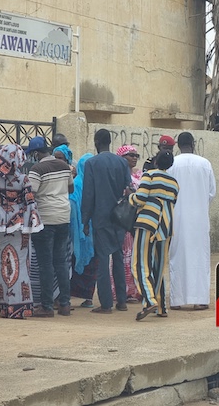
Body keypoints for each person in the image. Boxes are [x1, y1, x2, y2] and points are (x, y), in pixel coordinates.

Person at [0, 144, 44, 318]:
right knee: (19, 265)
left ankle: (5, 307)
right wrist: (31, 225)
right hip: (19, 226)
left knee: (3, 264)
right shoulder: (23, 179)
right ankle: (19, 308)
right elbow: (30, 205)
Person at [81, 129, 131, 314]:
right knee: (118, 258)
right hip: (119, 217)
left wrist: (85, 220)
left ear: (96, 142)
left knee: (102, 260)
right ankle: (122, 301)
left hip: (100, 217)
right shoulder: (121, 162)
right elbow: (128, 188)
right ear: (110, 142)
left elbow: (88, 193)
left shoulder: (91, 163)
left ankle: (106, 303)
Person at [168, 132, 216, 310]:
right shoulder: (204, 164)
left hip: (177, 218)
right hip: (199, 220)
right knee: (200, 258)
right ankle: (200, 299)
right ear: (193, 144)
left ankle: (177, 300)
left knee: (177, 257)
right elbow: (212, 193)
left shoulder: (172, 164)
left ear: (178, 145)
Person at [27, 137, 74, 317]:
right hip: (63, 216)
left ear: (37, 153)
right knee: (61, 262)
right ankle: (65, 304)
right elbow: (70, 189)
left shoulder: (37, 169)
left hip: (45, 218)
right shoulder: (64, 166)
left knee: (45, 263)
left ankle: (46, 306)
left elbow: (31, 193)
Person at [130, 151, 179, 320]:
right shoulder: (174, 182)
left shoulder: (149, 175)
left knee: (140, 264)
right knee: (158, 267)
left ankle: (149, 300)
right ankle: (161, 307)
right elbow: (173, 201)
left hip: (148, 222)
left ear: (156, 161)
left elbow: (140, 198)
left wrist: (130, 198)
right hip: (166, 227)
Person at [68, 153, 97, 308]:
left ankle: (81, 296)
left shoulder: (76, 183)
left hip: (79, 229)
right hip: (89, 229)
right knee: (91, 263)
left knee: (79, 262)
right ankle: (87, 297)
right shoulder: (86, 183)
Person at [117, 145, 143, 303]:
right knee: (124, 255)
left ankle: (136, 291)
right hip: (123, 219)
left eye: (136, 155)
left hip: (137, 221)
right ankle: (125, 291)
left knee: (135, 255)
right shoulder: (118, 174)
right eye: (130, 155)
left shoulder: (140, 175)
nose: (134, 158)